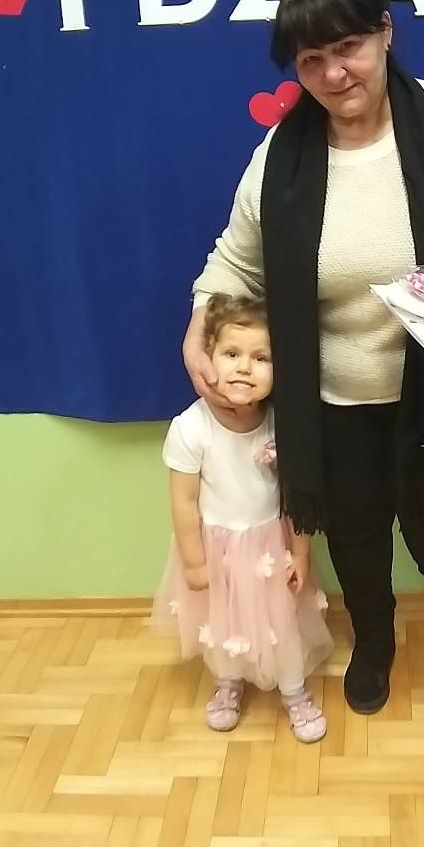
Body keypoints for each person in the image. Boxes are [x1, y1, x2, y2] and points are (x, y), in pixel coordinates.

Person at [182, 0, 424, 774]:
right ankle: (374, 641)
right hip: (331, 405)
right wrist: (198, 322)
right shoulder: (282, 155)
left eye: (348, 47)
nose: (335, 73)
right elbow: (235, 261)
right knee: (357, 542)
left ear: (385, 31)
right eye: (312, 60)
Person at [155, 293, 332, 740]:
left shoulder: (280, 424)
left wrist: (301, 552)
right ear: (208, 358)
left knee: (282, 623)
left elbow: (296, 496)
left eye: (261, 358)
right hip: (217, 551)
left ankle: (294, 690)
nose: (244, 368)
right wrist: (195, 562)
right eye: (231, 354)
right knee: (225, 621)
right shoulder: (191, 427)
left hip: (271, 548)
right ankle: (228, 682)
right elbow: (183, 501)